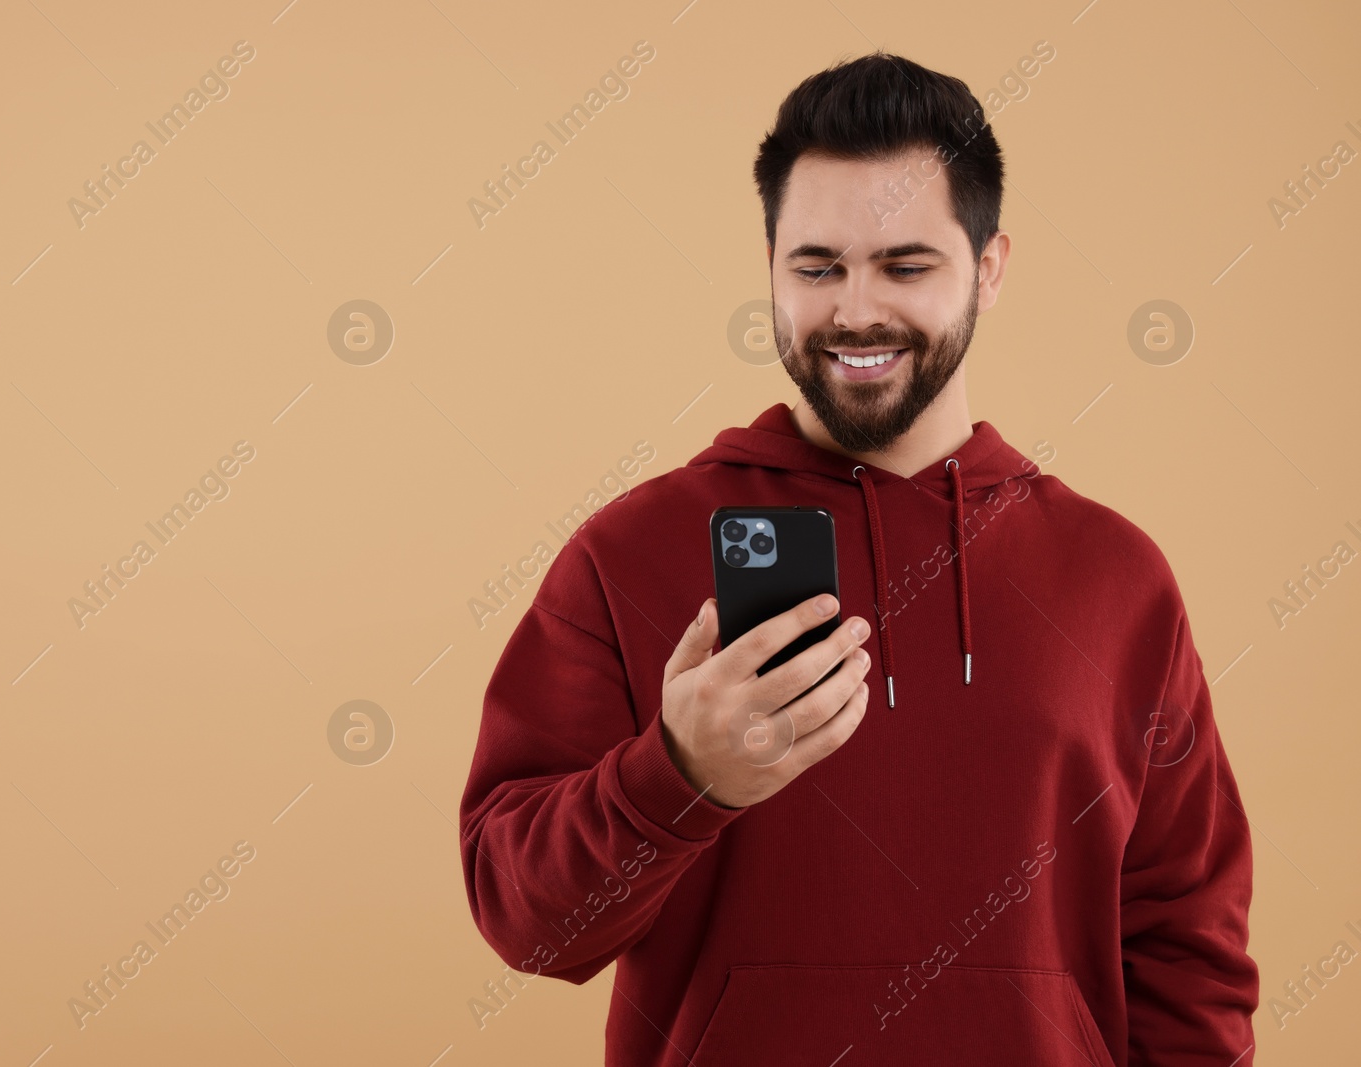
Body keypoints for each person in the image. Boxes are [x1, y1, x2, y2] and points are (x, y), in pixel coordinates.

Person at [458, 51, 1257, 1065]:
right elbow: (527, 923)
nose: (855, 312)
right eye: (818, 266)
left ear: (991, 266)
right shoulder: (629, 553)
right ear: (770, 267)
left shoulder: (1115, 575)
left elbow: (1186, 946)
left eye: (905, 264)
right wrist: (679, 774)